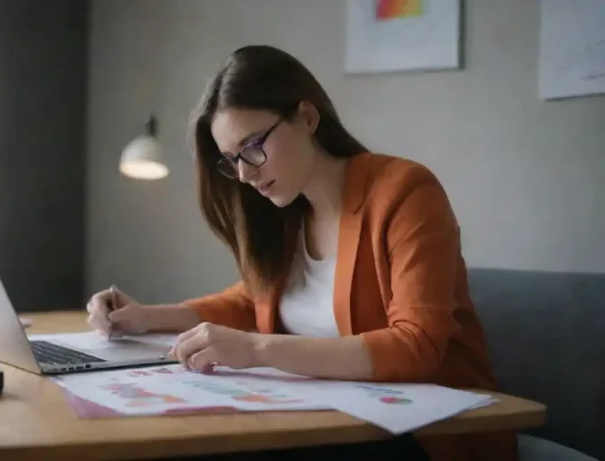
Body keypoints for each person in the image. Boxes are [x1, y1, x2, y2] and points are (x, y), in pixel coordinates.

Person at [86, 45, 516, 461]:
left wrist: (257, 350)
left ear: (307, 117)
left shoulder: (405, 192)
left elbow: (416, 346)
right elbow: (247, 302)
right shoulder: (289, 212)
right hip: (328, 422)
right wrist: (145, 317)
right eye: (231, 159)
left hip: (427, 436)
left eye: (253, 146)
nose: (244, 174)